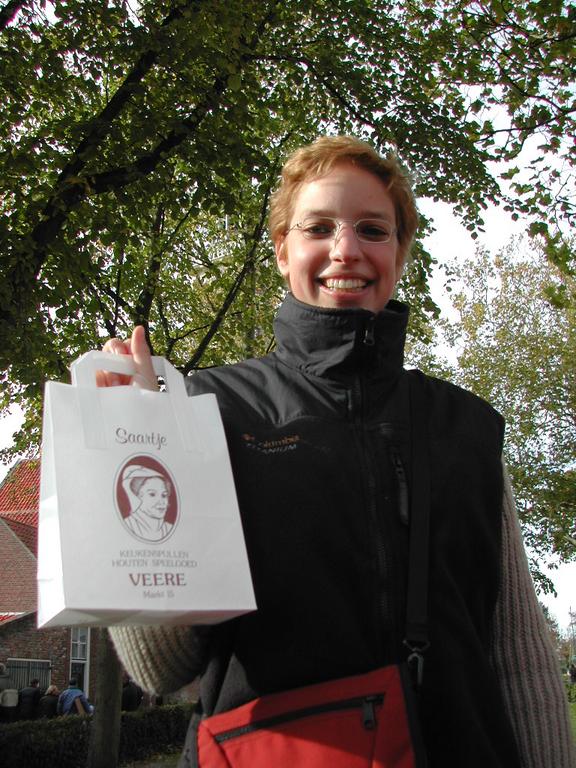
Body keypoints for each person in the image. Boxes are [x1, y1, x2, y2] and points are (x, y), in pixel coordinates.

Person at [101, 136, 575, 767]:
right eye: (318, 227)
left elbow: (519, 659)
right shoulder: (205, 409)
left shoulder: (464, 426)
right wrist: (134, 442)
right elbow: (159, 668)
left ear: (401, 253)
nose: (346, 249)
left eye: (373, 229)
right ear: (282, 251)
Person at [121, 464, 173, 542]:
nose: (161, 501)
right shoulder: (127, 525)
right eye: (152, 494)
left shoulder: (169, 528)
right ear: (136, 496)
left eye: (164, 495)